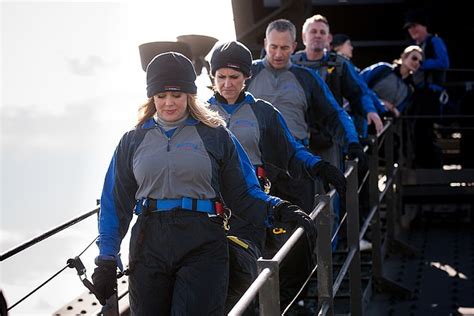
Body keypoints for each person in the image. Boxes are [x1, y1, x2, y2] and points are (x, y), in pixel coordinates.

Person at [90, 52, 318, 315]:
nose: (168, 103)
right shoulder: (132, 141)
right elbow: (114, 204)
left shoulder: (216, 135)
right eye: (161, 95)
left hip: (202, 240)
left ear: (190, 95)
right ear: (151, 97)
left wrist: (280, 210)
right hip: (147, 242)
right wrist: (106, 258)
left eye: (176, 95)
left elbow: (244, 192)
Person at [208, 40, 347, 314]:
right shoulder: (200, 114)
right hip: (211, 210)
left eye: (234, 77)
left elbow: (292, 150)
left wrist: (319, 167)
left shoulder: (264, 112)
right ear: (212, 77)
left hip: (251, 205)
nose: (227, 84)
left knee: (265, 269)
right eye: (220, 77)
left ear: (247, 77)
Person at [245, 18, 363, 310]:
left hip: (294, 165)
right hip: (253, 167)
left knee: (299, 237)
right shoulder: (246, 75)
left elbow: (334, 113)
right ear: (264, 45)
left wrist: (351, 142)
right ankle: (255, 302)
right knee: (253, 238)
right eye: (273, 47)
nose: (278, 53)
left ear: (294, 46)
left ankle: (291, 301)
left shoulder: (307, 78)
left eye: (285, 47)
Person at [291, 14, 383, 140]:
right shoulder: (291, 63)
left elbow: (357, 92)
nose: (318, 35)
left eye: (322, 32)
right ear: (304, 36)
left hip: (329, 134)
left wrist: (370, 111)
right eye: (313, 31)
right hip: (296, 134)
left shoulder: (340, 64)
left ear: (329, 38)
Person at [404, 8, 450, 168]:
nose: (412, 30)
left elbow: (444, 62)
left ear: (424, 26)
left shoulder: (434, 42)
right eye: (409, 27)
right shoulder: (416, 45)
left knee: (424, 131)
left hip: (430, 93)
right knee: (415, 132)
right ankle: (422, 165)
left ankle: (433, 166)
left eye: (414, 25)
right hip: (417, 95)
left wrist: (421, 64)